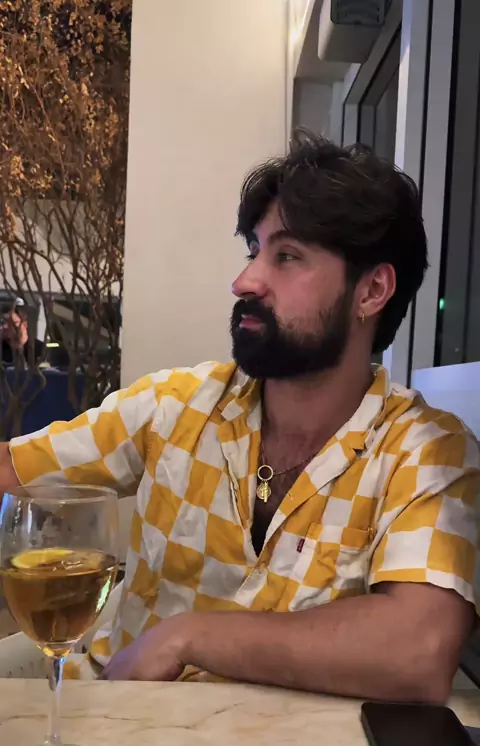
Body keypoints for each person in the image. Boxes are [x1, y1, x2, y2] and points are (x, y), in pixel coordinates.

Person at [0, 134, 478, 700]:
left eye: (287, 256)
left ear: (372, 291)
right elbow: (12, 472)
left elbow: (417, 649)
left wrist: (189, 636)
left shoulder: (425, 451)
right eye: (255, 251)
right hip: (113, 723)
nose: (245, 281)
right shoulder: (174, 406)